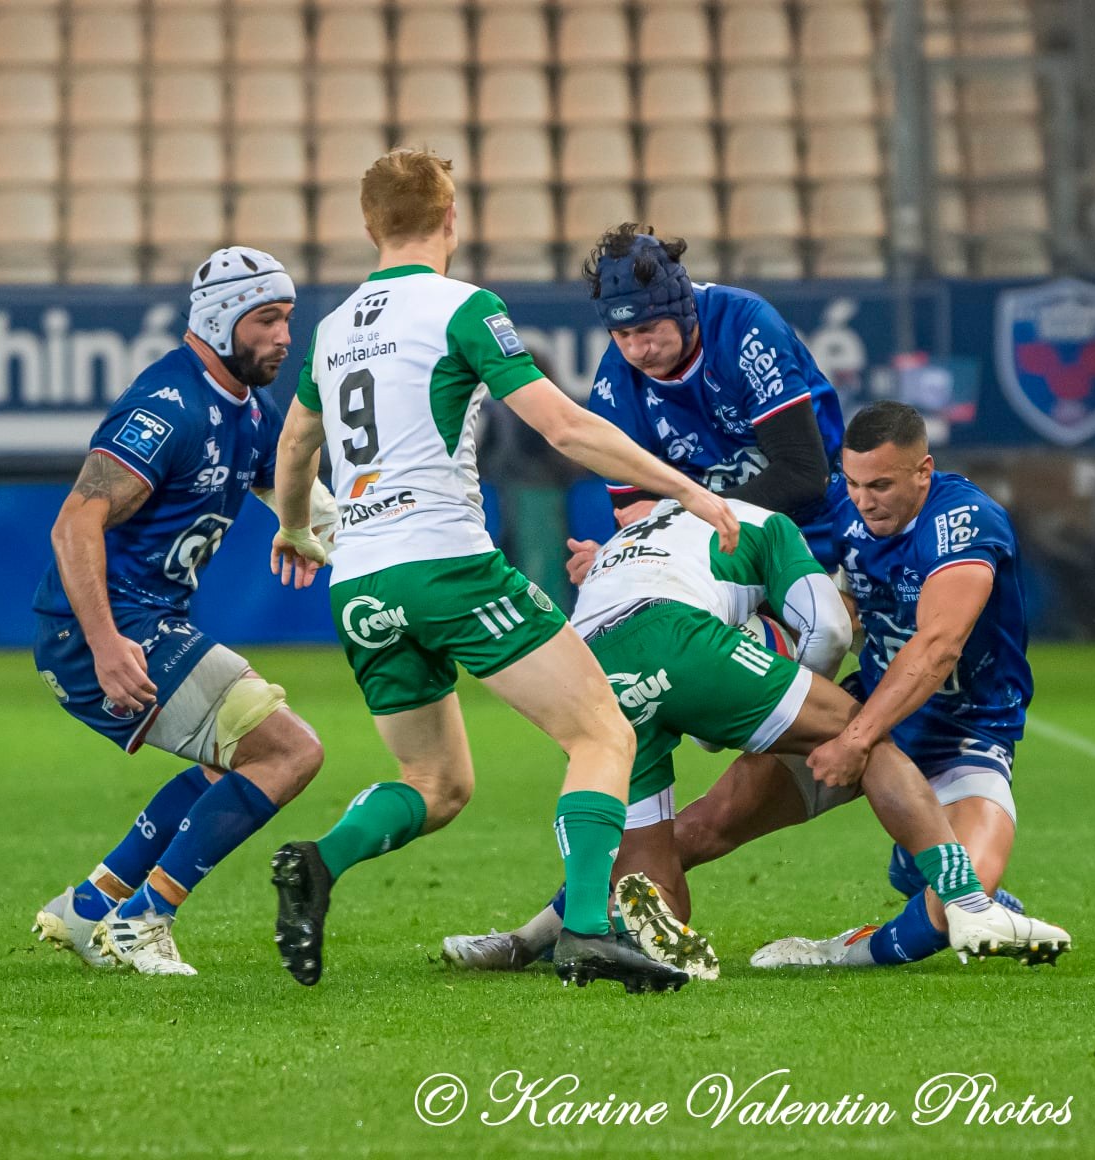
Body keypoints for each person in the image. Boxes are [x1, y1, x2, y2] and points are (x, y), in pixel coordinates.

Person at [264, 147, 741, 995]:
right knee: (603, 733)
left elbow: (296, 443)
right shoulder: (463, 309)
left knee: (436, 783)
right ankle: (588, 933)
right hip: (446, 567)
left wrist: (297, 527)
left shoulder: (332, 330)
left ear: (369, 226)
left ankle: (318, 860)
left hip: (361, 585)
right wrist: (687, 491)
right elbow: (563, 427)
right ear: (453, 219)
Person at [442, 496, 1058, 979]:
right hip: (687, 642)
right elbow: (830, 632)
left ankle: (537, 939)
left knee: (656, 890)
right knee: (859, 731)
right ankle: (965, 904)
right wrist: (749, 712)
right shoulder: (764, 523)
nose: (865, 501)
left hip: (589, 669)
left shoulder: (629, 540)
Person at [30, 247, 337, 976]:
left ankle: (91, 906)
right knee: (290, 751)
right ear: (221, 319)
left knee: (235, 759)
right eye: (266, 319)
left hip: (146, 619)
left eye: (288, 318)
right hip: (104, 625)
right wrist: (106, 645)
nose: (283, 336)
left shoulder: (249, 412)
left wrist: (302, 527)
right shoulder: (166, 407)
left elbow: (291, 488)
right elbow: (74, 525)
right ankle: (146, 918)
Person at [737, 401, 1069, 968]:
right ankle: (576, 918)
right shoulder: (845, 509)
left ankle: (834, 954)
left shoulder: (964, 520)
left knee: (948, 912)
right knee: (705, 826)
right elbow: (795, 580)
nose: (864, 499)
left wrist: (856, 739)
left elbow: (938, 646)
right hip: (862, 710)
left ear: (924, 471)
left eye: (882, 484)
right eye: (854, 482)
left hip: (965, 737)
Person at [563, 224, 848, 580]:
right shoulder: (613, 387)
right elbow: (633, 512)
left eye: (648, 328)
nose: (637, 350)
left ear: (683, 310)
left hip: (823, 530)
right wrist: (613, 558)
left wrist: (682, 515)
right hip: (718, 549)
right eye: (622, 334)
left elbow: (803, 476)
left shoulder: (747, 327)